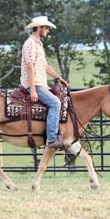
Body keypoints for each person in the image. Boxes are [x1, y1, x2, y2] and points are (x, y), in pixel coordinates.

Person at [20, 16, 68, 150]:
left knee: (59, 99)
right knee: (55, 103)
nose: (48, 30)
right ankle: (52, 139)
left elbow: (45, 66)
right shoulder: (30, 44)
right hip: (34, 84)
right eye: (46, 28)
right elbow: (30, 67)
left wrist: (59, 77)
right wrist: (33, 90)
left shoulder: (38, 44)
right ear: (39, 28)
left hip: (40, 83)